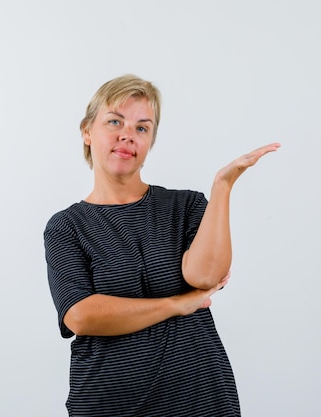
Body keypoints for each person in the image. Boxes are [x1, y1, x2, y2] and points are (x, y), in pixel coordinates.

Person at [44, 74, 280, 416]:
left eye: (142, 127)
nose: (127, 134)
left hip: (200, 398)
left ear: (150, 141)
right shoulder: (67, 226)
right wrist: (175, 305)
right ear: (87, 131)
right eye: (114, 121)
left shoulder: (185, 207)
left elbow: (205, 276)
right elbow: (81, 315)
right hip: (110, 405)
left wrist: (222, 187)